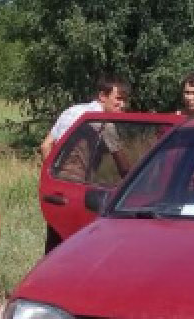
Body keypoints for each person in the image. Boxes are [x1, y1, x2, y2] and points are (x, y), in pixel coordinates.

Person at [39, 76, 130, 253]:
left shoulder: (72, 111)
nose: (123, 105)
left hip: (58, 188)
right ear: (103, 96)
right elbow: (123, 167)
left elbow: (45, 145)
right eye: (118, 99)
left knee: (55, 245)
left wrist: (53, 177)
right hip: (80, 190)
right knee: (84, 247)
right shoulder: (103, 123)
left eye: (125, 100)